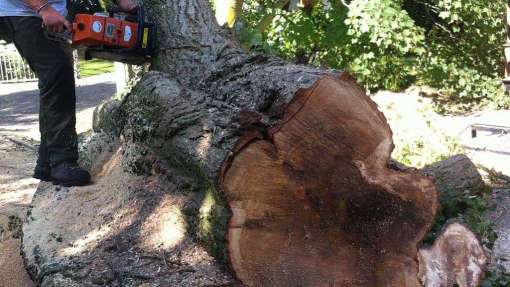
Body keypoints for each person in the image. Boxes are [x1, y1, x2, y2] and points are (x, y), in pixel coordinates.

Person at [0, 0, 135, 186]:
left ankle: (47, 162)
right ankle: (63, 163)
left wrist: (125, 4)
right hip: (23, 12)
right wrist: (43, 8)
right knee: (56, 72)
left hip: (46, 11)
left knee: (56, 78)